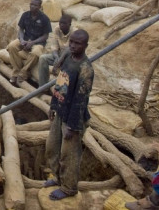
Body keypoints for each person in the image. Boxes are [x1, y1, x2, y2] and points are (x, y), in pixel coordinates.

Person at [43, 30, 94, 201]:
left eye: (77, 43)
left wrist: (72, 127)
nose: (72, 45)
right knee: (52, 148)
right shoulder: (68, 57)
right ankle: (57, 178)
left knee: (69, 155)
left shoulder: (85, 69)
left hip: (74, 118)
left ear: (85, 46)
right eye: (71, 41)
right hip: (61, 111)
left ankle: (69, 187)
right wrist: (53, 105)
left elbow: (81, 100)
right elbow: (60, 84)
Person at [7, 0, 52, 85]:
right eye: (31, 4)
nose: (32, 6)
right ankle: (16, 72)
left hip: (38, 42)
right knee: (12, 46)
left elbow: (45, 36)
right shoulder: (25, 15)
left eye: (35, 5)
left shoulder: (44, 18)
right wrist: (22, 39)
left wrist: (33, 42)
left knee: (36, 53)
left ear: (39, 7)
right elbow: (21, 29)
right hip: (26, 39)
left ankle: (23, 73)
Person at [38, 14, 72, 87]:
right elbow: (54, 45)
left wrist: (58, 61)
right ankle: (42, 86)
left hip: (70, 58)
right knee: (43, 58)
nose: (61, 25)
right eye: (60, 23)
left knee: (66, 69)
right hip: (59, 55)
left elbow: (68, 49)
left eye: (64, 23)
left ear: (69, 24)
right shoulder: (57, 29)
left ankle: (62, 88)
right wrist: (56, 57)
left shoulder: (74, 32)